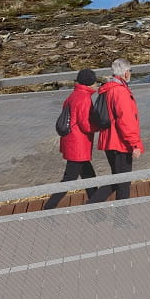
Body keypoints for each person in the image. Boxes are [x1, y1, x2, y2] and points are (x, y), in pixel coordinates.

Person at [87, 58, 144, 203]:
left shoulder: (108, 88)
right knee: (123, 182)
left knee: (117, 178)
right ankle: (119, 220)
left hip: (108, 140)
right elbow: (126, 120)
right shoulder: (120, 91)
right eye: (130, 71)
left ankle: (93, 204)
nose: (130, 73)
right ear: (125, 73)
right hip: (120, 143)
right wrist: (135, 143)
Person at [44, 68, 99, 209]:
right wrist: (101, 126)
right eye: (95, 82)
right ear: (89, 84)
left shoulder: (73, 95)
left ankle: (96, 207)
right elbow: (86, 126)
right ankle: (49, 207)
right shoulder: (84, 99)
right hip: (78, 146)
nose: (97, 84)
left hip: (71, 141)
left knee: (88, 176)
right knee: (70, 179)